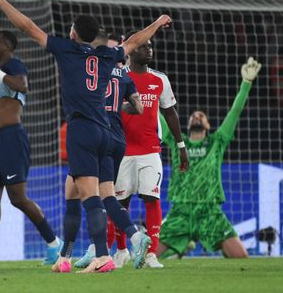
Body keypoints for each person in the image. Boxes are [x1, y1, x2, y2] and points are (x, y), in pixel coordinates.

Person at [0, 0, 172, 273]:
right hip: (106, 133)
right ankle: (90, 249)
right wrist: (157, 23)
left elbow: (28, 25)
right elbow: (135, 41)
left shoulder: (66, 50)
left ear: (73, 34)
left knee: (89, 197)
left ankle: (102, 256)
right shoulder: (108, 56)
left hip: (82, 131)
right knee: (92, 193)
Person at [0, 30, 62, 266]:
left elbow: (22, 86)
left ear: (6, 45)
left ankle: (54, 243)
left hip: (11, 138)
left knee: (18, 199)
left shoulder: (14, 65)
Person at [156, 57, 261, 259]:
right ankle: (177, 249)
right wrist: (144, 91)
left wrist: (246, 84)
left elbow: (235, 112)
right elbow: (155, 114)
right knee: (145, 260)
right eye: (193, 115)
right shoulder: (176, 140)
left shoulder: (217, 141)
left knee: (242, 258)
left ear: (208, 125)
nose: (196, 116)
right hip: (181, 211)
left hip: (209, 212)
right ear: (186, 124)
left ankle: (180, 248)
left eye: (201, 116)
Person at [67, 29, 149, 269]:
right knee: (107, 196)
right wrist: (118, 107)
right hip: (117, 140)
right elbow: (139, 108)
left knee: (85, 195)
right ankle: (136, 236)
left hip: (93, 135)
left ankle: (90, 252)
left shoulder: (91, 68)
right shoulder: (123, 73)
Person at [113, 31, 190, 269]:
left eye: (150, 46)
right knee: (119, 203)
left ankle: (151, 254)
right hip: (122, 151)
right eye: (143, 46)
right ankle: (121, 250)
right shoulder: (118, 78)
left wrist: (181, 146)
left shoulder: (160, 80)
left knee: (152, 198)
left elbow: (170, 112)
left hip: (150, 151)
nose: (149, 49)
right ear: (131, 49)